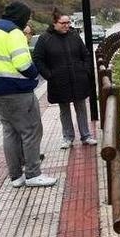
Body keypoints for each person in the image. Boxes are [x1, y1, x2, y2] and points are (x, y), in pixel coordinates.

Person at [0, 1, 57, 187]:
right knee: (31, 130)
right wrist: (34, 74)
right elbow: (22, 63)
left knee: (10, 133)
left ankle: (16, 176)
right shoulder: (13, 32)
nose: (27, 21)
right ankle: (33, 174)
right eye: (27, 17)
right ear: (20, 16)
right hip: (19, 90)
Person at [33, 8, 98, 149]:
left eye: (68, 23)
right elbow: (38, 59)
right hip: (59, 81)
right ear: (54, 23)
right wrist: (49, 75)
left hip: (78, 78)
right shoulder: (45, 39)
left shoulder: (74, 36)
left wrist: (85, 69)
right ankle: (68, 137)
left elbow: (85, 54)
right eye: (63, 23)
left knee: (81, 107)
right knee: (64, 110)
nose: (67, 26)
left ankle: (86, 136)